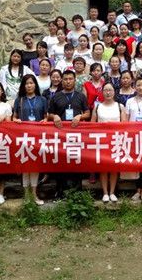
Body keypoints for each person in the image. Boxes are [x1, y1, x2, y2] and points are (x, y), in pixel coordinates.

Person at [47, 70, 90, 198]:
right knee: (61, 163)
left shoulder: (80, 96)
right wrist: (54, 116)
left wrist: (80, 116)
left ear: (75, 80)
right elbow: (49, 114)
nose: (68, 81)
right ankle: (60, 192)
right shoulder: (56, 96)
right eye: (65, 79)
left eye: (70, 79)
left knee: (77, 162)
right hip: (60, 135)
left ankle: (77, 193)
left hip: (76, 136)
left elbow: (88, 113)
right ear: (61, 81)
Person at [13, 75, 47, 205]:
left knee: (35, 166)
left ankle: (34, 194)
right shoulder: (19, 100)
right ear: (23, 86)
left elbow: (46, 117)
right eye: (26, 83)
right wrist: (16, 120)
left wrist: (45, 120)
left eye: (31, 83)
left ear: (35, 85)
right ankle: (26, 195)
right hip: (23, 137)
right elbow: (14, 117)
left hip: (37, 137)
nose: (29, 85)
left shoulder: (42, 99)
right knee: (25, 165)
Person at [91, 82, 127, 203]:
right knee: (103, 168)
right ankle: (105, 193)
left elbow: (125, 125)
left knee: (114, 167)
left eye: (110, 90)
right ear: (102, 92)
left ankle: (112, 192)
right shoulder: (97, 107)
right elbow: (92, 125)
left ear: (114, 92)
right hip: (101, 141)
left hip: (116, 140)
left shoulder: (120, 106)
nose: (108, 92)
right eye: (105, 90)